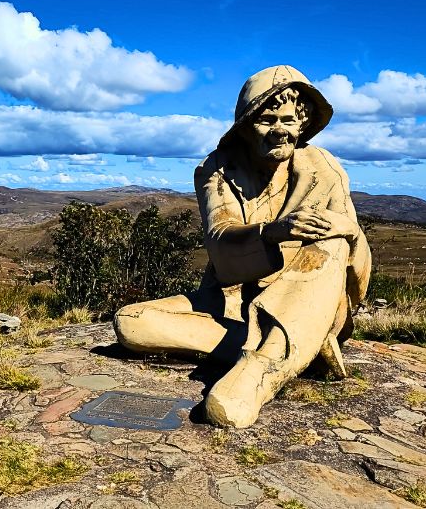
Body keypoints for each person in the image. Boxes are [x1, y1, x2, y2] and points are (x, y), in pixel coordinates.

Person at [113, 65, 371, 427]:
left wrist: (352, 233)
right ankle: (290, 346)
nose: (280, 130)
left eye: (288, 120)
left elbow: (353, 279)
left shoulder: (323, 168)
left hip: (312, 298)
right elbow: (221, 242)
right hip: (231, 298)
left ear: (302, 123)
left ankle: (261, 369)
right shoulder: (216, 170)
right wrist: (272, 232)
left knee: (333, 237)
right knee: (132, 322)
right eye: (267, 120)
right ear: (246, 125)